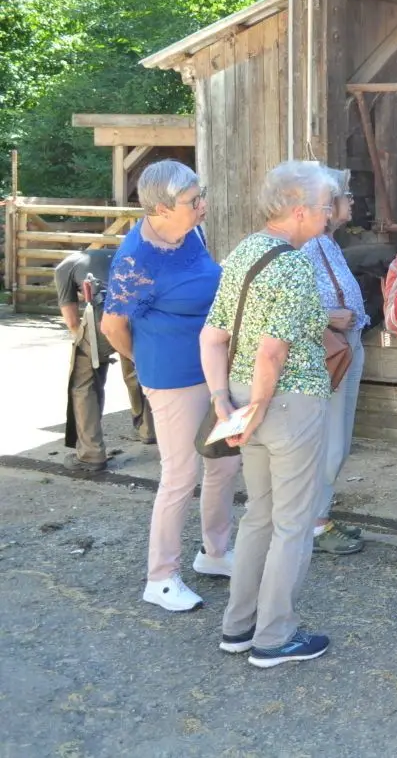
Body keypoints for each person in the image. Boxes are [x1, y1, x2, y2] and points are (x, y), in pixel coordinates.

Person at [203, 160, 338, 667]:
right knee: (293, 523)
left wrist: (225, 403)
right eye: (325, 209)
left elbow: (213, 335)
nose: (329, 218)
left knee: (258, 514)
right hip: (286, 402)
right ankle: (274, 637)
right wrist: (258, 407)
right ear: (300, 211)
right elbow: (271, 352)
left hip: (241, 399)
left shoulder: (244, 251)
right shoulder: (295, 265)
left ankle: (238, 626)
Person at [101, 161, 236, 613]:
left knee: (223, 464)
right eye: (193, 201)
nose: (203, 206)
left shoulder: (190, 233)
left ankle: (215, 554)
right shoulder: (134, 260)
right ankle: (160, 577)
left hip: (212, 368)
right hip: (173, 377)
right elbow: (112, 326)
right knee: (181, 475)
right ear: (160, 208)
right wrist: (147, 359)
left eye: (202, 195)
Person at [305, 167, 370, 556]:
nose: (351, 203)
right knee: (330, 438)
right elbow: (290, 303)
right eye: (345, 197)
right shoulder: (309, 246)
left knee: (339, 438)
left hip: (346, 344)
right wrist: (328, 318)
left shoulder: (327, 244)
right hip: (332, 347)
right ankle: (313, 522)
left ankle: (320, 515)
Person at [57, 247, 153, 471]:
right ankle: (148, 430)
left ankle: (90, 454)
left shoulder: (65, 268)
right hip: (140, 309)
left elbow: (71, 321)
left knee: (84, 380)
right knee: (137, 365)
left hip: (105, 311)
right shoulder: (118, 253)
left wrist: (89, 346)